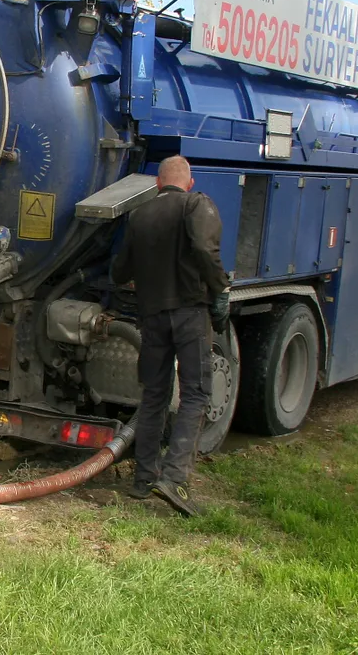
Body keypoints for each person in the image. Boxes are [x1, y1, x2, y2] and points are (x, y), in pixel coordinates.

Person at [110, 155, 230, 517]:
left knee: (154, 396)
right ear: (188, 182)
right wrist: (220, 289)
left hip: (151, 317)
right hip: (190, 314)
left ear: (158, 184)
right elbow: (205, 251)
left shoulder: (140, 215)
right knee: (195, 393)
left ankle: (144, 479)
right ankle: (175, 478)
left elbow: (120, 271)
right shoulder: (197, 204)